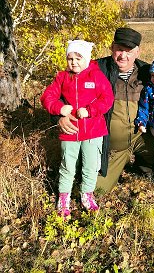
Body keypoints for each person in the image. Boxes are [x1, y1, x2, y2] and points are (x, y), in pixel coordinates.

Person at [57, 28, 154, 192]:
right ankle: (108, 165)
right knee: (98, 189)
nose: (123, 56)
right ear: (112, 47)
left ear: (137, 52)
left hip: (140, 137)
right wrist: (59, 116)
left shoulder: (149, 72)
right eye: (120, 49)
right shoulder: (95, 69)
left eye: (129, 51)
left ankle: (144, 166)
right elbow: (62, 91)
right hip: (112, 147)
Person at [41, 40, 114, 217]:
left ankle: (86, 194)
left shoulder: (96, 76)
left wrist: (89, 111)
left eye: (78, 58)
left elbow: (107, 98)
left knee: (90, 165)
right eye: (70, 58)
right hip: (70, 131)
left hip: (93, 131)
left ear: (87, 59)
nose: (73, 62)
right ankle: (64, 196)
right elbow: (47, 96)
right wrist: (59, 108)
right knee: (67, 165)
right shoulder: (62, 77)